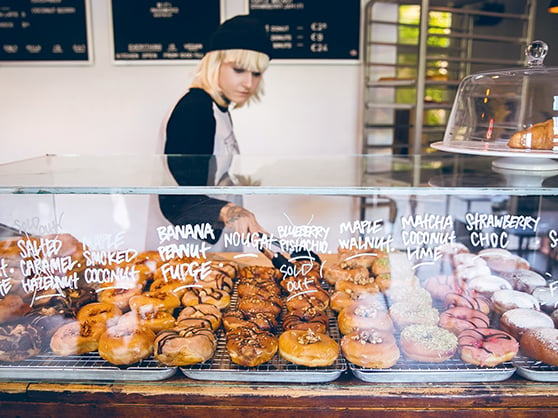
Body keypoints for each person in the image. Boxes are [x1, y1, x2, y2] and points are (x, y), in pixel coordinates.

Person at [159, 15, 272, 247]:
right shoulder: (195, 110)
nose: (248, 83)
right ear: (214, 64)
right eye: (239, 70)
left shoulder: (217, 106)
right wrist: (230, 211)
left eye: (256, 74)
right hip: (191, 245)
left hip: (213, 236)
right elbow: (176, 198)